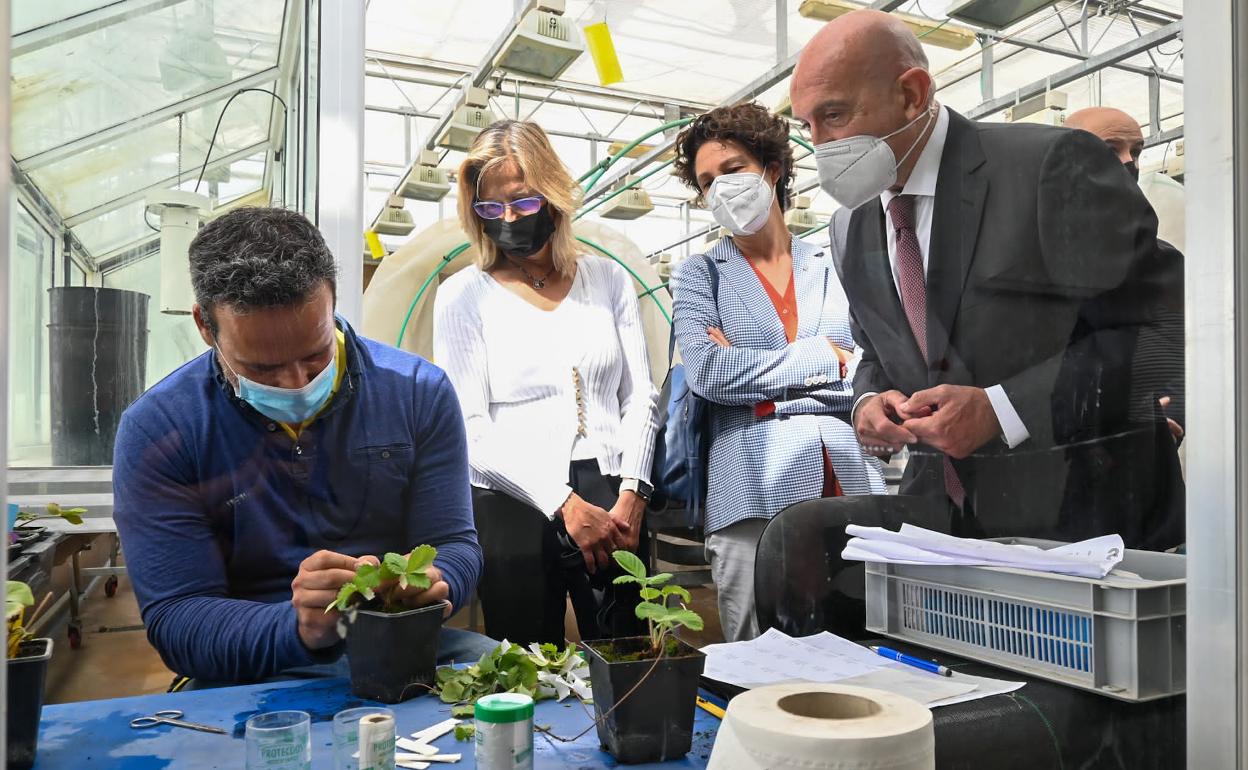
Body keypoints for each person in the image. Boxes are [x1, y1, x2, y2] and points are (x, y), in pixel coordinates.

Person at [791, 10, 1183, 549]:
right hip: (946, 522)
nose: (820, 146)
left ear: (912, 93)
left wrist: (1004, 409)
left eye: (833, 115)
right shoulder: (850, 226)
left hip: (1089, 520)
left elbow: (1164, 328)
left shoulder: (1050, 167)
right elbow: (875, 350)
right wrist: (869, 400)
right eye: (806, 126)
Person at [113, 207, 495, 687]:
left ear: (333, 299)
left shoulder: (418, 392)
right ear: (205, 327)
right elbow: (178, 616)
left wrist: (438, 582)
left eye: (315, 356)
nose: (296, 384)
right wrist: (296, 626)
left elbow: (456, 543)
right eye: (263, 369)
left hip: (401, 643)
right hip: (252, 668)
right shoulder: (161, 429)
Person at [433, 120, 659, 647]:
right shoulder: (463, 296)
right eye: (491, 210)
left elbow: (639, 395)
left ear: (553, 196)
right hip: (513, 501)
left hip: (611, 492)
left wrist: (634, 493)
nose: (508, 219)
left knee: (623, 651)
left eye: (522, 203)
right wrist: (562, 503)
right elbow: (470, 425)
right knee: (525, 659)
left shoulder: (607, 279)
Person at [669, 103, 886, 642]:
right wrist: (822, 358)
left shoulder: (837, 258)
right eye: (706, 180)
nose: (720, 186)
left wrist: (758, 385)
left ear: (772, 168)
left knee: (860, 638)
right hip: (747, 489)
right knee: (753, 650)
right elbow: (708, 374)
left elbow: (869, 358)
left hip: (845, 473)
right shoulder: (700, 274)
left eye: (733, 168)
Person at [1066, 106, 1186, 446]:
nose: (1128, 162)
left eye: (1136, 151)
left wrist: (1173, 414)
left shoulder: (1164, 262)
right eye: (1110, 148)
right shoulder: (1028, 258)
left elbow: (1180, 355)